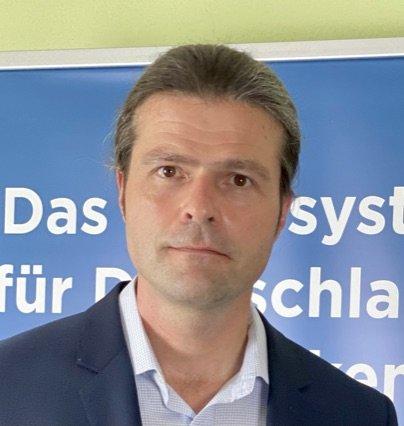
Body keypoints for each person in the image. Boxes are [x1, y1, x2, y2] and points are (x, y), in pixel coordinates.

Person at [0, 44, 397, 426]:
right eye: (169, 171)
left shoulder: (357, 415)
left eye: (238, 179)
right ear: (122, 192)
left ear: (282, 211)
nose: (199, 207)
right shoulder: (9, 386)